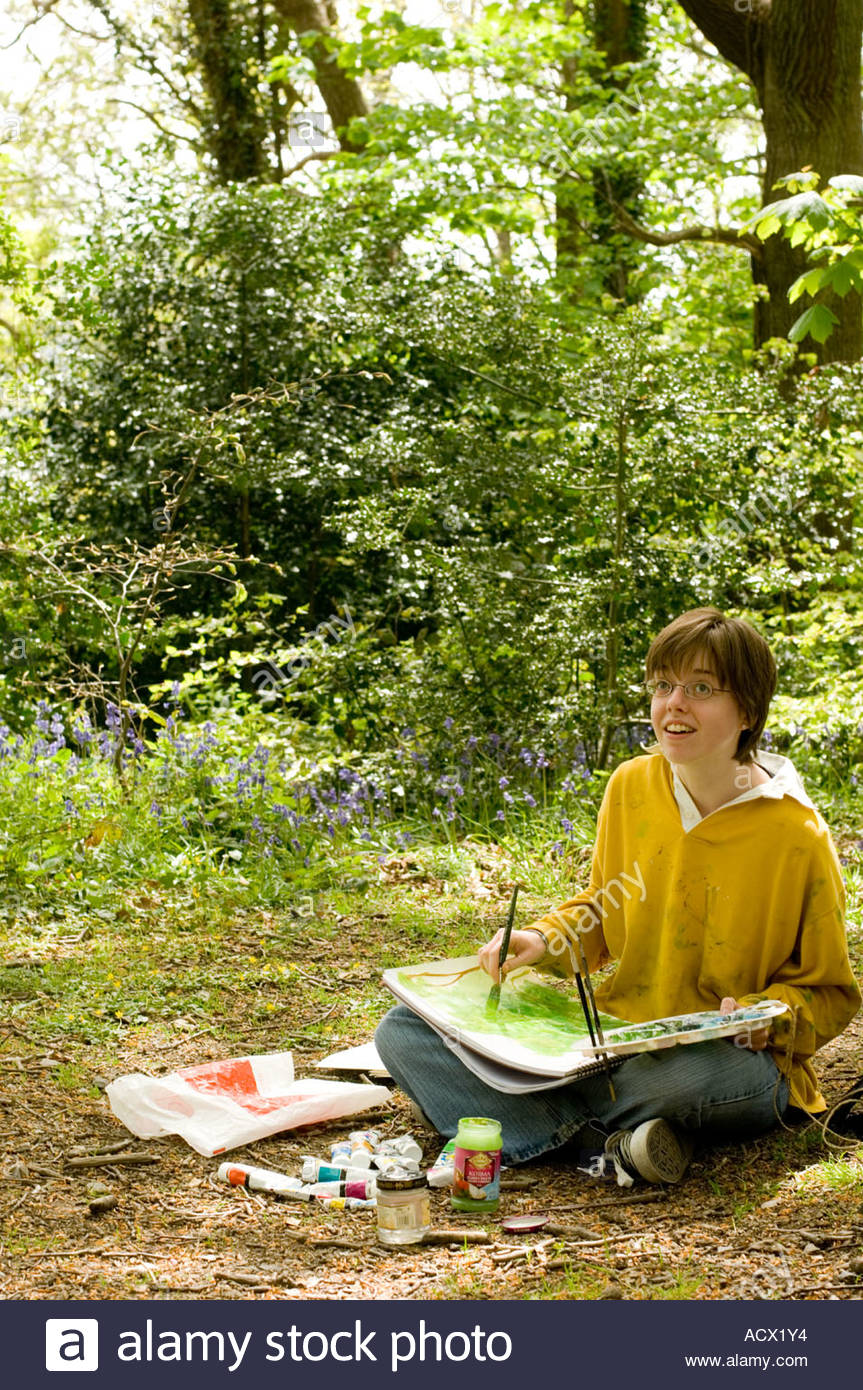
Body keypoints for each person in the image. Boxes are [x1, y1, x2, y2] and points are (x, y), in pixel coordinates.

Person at [375, 608, 861, 1184]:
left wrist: (766, 1018)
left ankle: (531, 1127)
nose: (673, 704)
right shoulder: (630, 785)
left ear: (748, 710)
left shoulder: (796, 833)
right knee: (402, 1032)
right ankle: (603, 1148)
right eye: (662, 685)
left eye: (700, 688)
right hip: (612, 1034)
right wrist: (538, 938)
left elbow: (829, 994)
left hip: (726, 1061)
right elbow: (601, 911)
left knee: (679, 1081)